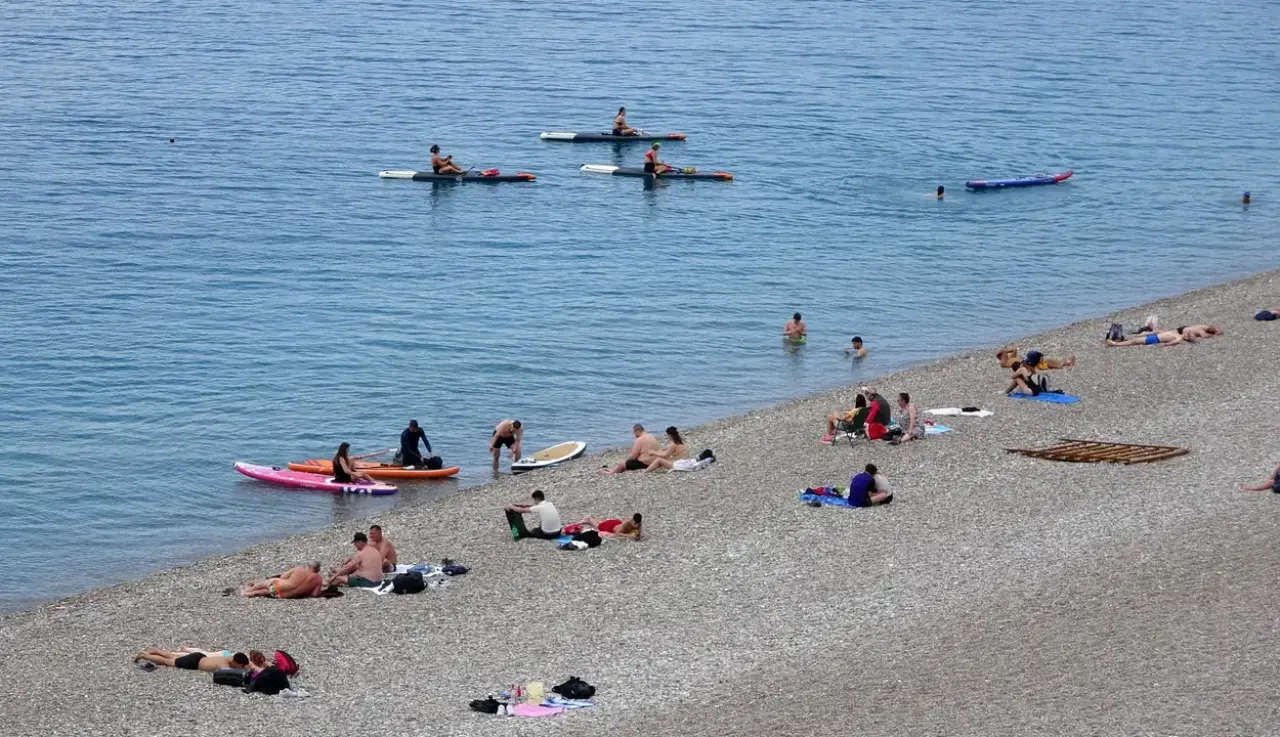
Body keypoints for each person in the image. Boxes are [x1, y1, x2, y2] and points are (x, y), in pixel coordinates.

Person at [238, 563, 323, 599]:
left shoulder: (299, 569)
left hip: (277, 587)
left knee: (266, 583)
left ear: (308, 566)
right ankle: (248, 594)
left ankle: (247, 591)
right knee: (266, 591)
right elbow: (314, 594)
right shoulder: (319, 580)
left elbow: (283, 577)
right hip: (284, 596)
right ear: (318, 570)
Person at [134, 648, 250, 672]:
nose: (241, 668)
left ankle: (154, 650)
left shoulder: (230, 657)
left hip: (199, 656)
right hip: (194, 662)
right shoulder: (226, 665)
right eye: (241, 666)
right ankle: (145, 656)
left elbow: (242, 660)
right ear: (236, 662)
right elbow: (232, 672)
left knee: (172, 656)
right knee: (167, 662)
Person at [574, 513, 643, 540]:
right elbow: (617, 533)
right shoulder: (625, 524)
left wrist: (638, 535)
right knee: (599, 527)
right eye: (635, 523)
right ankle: (589, 519)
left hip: (617, 523)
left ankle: (591, 519)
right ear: (631, 520)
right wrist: (628, 536)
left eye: (637, 524)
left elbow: (639, 534)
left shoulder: (638, 523)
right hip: (612, 527)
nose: (636, 525)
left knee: (601, 523)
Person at [996, 347, 1074, 370]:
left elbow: (1014, 349)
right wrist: (1006, 351)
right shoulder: (1004, 363)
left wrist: (1008, 351)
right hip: (1025, 364)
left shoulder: (1009, 359)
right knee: (1046, 363)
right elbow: (1002, 351)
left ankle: (1066, 362)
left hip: (1026, 362)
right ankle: (1066, 363)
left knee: (1046, 362)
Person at [1106, 329, 1187, 347]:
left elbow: (1174, 343)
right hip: (1154, 336)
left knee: (1134, 341)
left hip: (1155, 339)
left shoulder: (1179, 338)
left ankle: (1115, 344)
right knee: (1134, 339)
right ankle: (1118, 341)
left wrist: (1165, 344)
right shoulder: (1176, 333)